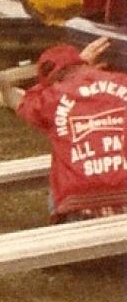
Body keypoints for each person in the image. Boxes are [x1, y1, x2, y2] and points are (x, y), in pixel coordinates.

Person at [12, 36, 127, 221]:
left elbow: (25, 103)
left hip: (78, 201)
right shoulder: (122, 81)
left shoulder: (50, 97)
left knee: (58, 177)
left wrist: (45, 85)